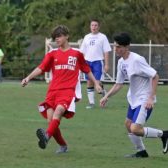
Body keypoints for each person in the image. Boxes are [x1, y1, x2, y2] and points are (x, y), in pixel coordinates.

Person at [21, 25, 102, 153]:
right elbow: (41, 68)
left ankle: (46, 137)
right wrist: (28, 77)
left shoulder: (77, 54)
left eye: (59, 36)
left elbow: (86, 69)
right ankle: (63, 145)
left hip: (67, 91)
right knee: (51, 121)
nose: (56, 39)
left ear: (66, 36)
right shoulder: (52, 53)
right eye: (55, 37)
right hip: (53, 91)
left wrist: (96, 83)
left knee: (58, 112)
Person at [100, 32, 168, 158]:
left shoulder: (137, 60)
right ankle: (141, 152)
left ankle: (164, 135)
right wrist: (106, 96)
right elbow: (118, 84)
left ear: (127, 47)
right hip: (133, 99)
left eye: (118, 47)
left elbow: (155, 76)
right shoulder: (121, 62)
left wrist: (151, 98)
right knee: (128, 124)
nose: (116, 49)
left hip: (144, 99)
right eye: (115, 46)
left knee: (135, 129)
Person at [80, 19, 112, 109]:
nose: (94, 27)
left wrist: (106, 64)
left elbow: (106, 51)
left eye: (95, 25)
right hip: (87, 62)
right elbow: (82, 52)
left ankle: (104, 93)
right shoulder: (86, 37)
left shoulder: (102, 37)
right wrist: (81, 63)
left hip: (98, 62)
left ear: (99, 27)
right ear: (90, 27)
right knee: (89, 82)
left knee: (97, 83)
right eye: (92, 25)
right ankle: (91, 103)